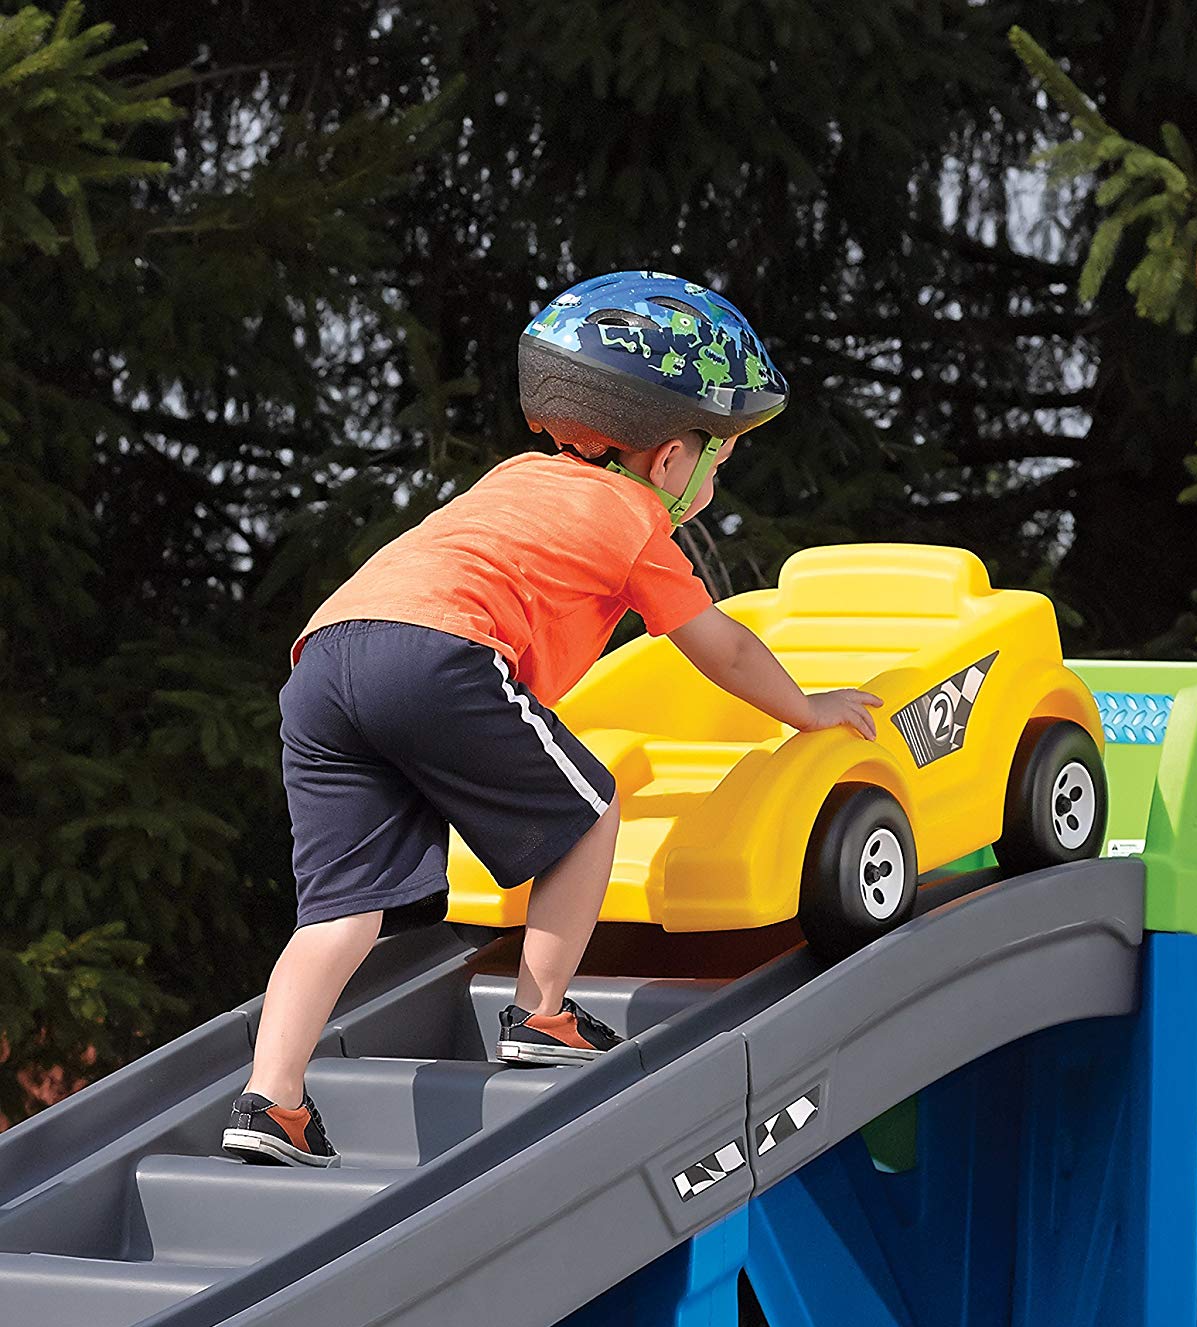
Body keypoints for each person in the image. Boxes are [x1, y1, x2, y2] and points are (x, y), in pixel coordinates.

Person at [221, 271, 881, 1167]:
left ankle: (271, 1100)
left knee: (340, 912)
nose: (720, 473)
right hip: (437, 653)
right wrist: (808, 710)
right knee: (590, 812)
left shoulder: (516, 478)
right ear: (671, 460)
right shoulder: (637, 519)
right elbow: (719, 647)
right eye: (720, 454)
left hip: (324, 659)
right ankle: (540, 1014)